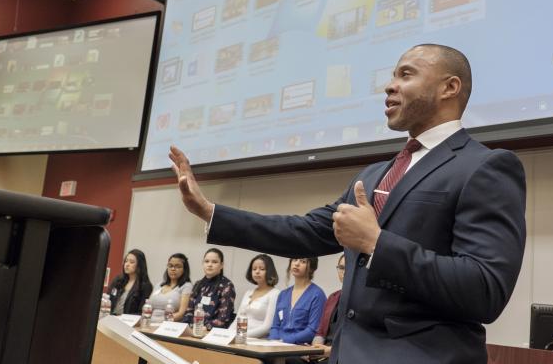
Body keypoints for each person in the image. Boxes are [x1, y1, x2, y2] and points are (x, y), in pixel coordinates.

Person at [169, 44, 526, 364]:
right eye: (391, 75)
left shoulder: (484, 167)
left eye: (406, 74)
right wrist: (209, 211)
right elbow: (303, 232)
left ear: (450, 87)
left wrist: (377, 244)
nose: (389, 86)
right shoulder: (374, 175)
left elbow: (485, 290)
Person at [269, 258, 326, 344]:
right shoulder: (283, 294)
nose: (297, 264)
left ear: (311, 268)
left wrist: (285, 341)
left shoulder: (317, 294)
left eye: (303, 261)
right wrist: (273, 341)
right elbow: (275, 327)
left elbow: (312, 330)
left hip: (300, 347)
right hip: (278, 345)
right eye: (294, 260)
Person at [182, 248, 236, 330]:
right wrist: (188, 326)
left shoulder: (227, 285)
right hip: (194, 329)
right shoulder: (198, 284)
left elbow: (223, 318)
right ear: (203, 263)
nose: (210, 264)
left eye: (214, 262)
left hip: (214, 332)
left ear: (221, 265)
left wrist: (204, 327)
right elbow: (189, 311)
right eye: (206, 261)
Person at [229, 254, 280, 338]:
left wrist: (241, 335)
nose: (257, 271)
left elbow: (267, 327)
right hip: (239, 338)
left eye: (262, 269)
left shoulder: (275, 293)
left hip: (259, 341)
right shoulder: (248, 292)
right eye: (254, 269)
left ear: (270, 271)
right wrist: (227, 335)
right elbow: (237, 320)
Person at [311, 254, 345, 362]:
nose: (344, 272)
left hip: (340, 355)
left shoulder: (361, 300)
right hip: (323, 352)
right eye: (341, 268)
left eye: (349, 268)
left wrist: (330, 351)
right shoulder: (332, 297)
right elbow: (321, 331)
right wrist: (315, 349)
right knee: (289, 360)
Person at [149, 253, 192, 321]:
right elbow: (148, 307)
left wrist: (160, 322)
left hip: (168, 325)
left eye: (177, 266)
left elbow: (181, 314)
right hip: (149, 323)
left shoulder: (186, 286)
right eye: (170, 266)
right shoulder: (159, 285)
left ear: (184, 269)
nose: (173, 269)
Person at [109, 249, 153, 315]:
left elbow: (141, 312)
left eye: (131, 262)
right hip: (111, 317)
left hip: (129, 321)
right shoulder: (118, 280)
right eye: (126, 261)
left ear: (139, 265)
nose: (127, 264)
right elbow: (108, 299)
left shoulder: (145, 286)